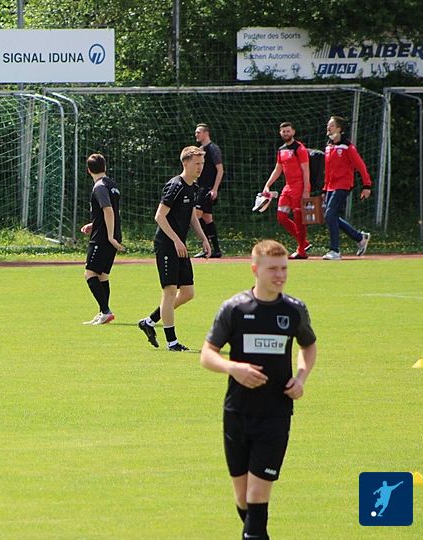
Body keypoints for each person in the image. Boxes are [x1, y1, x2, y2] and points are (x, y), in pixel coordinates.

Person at [200, 239, 317, 540]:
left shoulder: (294, 310)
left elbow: (308, 346)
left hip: (275, 414)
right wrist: (233, 368)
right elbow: (207, 355)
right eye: (272, 269)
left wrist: (301, 378)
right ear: (255, 269)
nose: (280, 275)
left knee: (257, 495)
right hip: (237, 412)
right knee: (243, 497)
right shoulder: (235, 308)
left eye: (284, 269)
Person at [137, 146, 211, 352]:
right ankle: (172, 342)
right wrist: (177, 240)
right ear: (185, 163)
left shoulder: (193, 187)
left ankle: (149, 322)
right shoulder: (175, 185)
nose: (200, 167)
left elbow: (191, 216)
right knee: (170, 291)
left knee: (187, 292)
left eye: (202, 163)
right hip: (167, 244)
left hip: (179, 245)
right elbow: (159, 216)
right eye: (197, 163)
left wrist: (203, 238)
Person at [79, 153, 124, 325]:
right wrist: (94, 224)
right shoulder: (112, 185)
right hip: (110, 233)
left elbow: (108, 210)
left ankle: (105, 311)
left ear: (88, 170)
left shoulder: (99, 187)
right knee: (102, 275)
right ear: (104, 167)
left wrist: (110, 236)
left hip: (103, 238)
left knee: (90, 273)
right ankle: (103, 312)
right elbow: (110, 213)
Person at [322, 115, 373, 260]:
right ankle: (360, 238)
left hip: (343, 185)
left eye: (332, 125)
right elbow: (328, 170)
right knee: (331, 216)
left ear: (339, 129)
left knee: (330, 215)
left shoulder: (348, 147)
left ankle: (335, 251)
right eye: (328, 125)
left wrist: (367, 185)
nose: (328, 127)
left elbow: (361, 166)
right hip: (330, 186)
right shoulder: (328, 147)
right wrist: (324, 189)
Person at [260, 122, 311, 259]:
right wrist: (267, 185)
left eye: (288, 131)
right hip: (288, 187)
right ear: (280, 133)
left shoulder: (299, 148)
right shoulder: (281, 149)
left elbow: (306, 170)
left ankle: (301, 250)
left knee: (299, 219)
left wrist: (306, 190)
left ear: (293, 132)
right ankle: (304, 243)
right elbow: (278, 169)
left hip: (299, 186)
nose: (286, 133)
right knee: (281, 217)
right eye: (283, 131)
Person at [193, 123, 225, 258]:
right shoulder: (200, 149)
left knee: (195, 216)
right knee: (207, 218)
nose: (196, 134)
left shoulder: (213, 148)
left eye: (198, 132)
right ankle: (215, 250)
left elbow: (220, 170)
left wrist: (215, 189)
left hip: (207, 189)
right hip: (200, 188)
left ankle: (206, 248)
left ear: (206, 133)